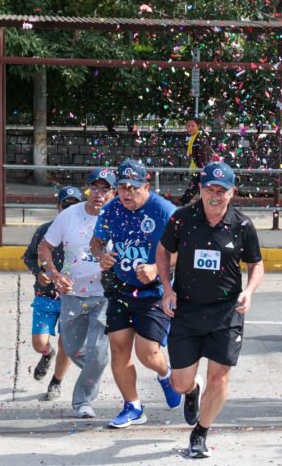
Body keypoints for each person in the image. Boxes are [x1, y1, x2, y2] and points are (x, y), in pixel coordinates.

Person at [156, 162, 265, 459]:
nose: (214, 196)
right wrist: (167, 288)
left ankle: (200, 432)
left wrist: (249, 291)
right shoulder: (182, 219)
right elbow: (163, 251)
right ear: (200, 189)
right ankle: (192, 391)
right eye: (209, 189)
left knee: (220, 378)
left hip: (226, 312)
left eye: (221, 190)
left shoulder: (242, 225)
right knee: (179, 383)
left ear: (232, 192)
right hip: (187, 310)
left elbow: (256, 264)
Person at [89, 158, 182, 428]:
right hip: (120, 289)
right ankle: (133, 406)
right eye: (122, 187)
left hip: (154, 291)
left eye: (133, 187)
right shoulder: (110, 211)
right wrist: (101, 256)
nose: (127, 193)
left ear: (146, 185)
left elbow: (185, 248)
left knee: (147, 353)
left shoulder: (165, 211)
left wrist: (157, 267)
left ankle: (165, 375)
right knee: (119, 350)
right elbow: (96, 242)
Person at [39, 168, 117, 418]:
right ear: (87, 189)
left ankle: (83, 402)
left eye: (105, 189)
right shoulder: (69, 216)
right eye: (95, 188)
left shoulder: (119, 217)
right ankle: (96, 370)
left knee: (100, 352)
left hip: (105, 294)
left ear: (113, 192)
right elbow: (45, 247)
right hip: (72, 293)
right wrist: (53, 275)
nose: (99, 194)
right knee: (72, 349)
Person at [21, 186, 81, 401]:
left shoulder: (87, 234)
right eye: (65, 204)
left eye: (75, 205)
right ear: (58, 207)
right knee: (39, 343)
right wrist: (39, 273)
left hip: (73, 298)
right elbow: (28, 257)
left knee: (67, 343)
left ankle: (56, 382)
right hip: (45, 296)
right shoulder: (45, 230)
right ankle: (47, 355)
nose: (69, 209)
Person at [181, 118, 215, 205]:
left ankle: (182, 202)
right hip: (198, 168)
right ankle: (205, 205)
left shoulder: (200, 138)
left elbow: (203, 155)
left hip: (200, 168)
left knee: (195, 186)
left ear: (198, 126)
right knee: (199, 187)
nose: (190, 128)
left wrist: (202, 169)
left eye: (192, 126)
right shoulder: (194, 137)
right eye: (188, 126)